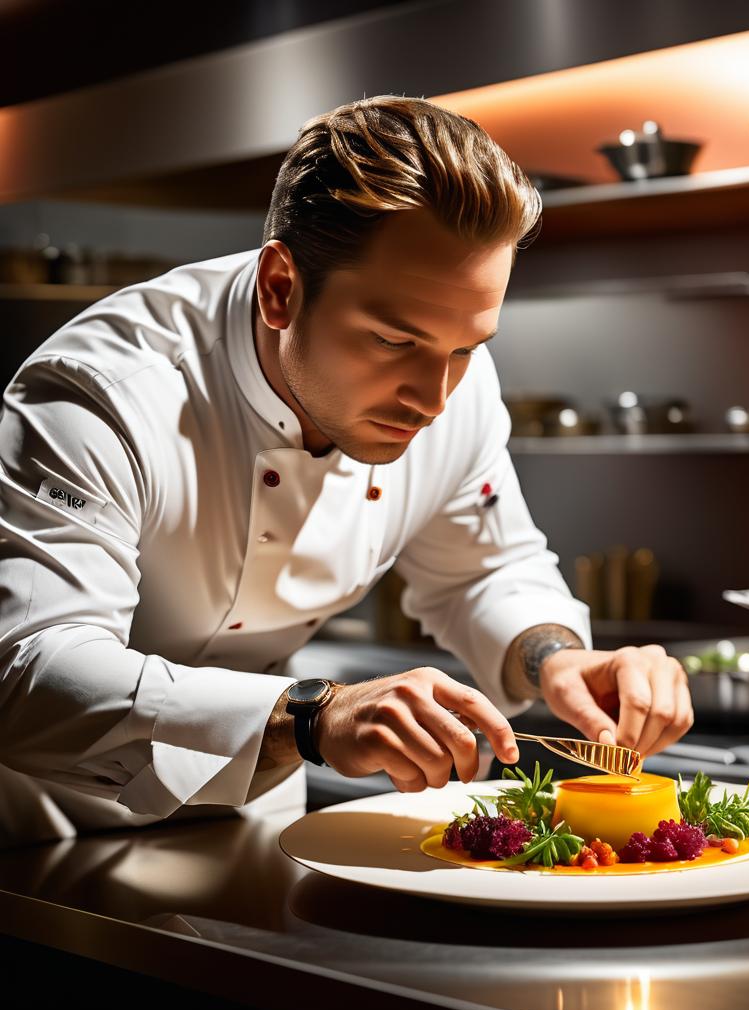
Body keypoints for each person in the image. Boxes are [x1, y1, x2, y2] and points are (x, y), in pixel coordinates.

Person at [0, 96, 692, 847]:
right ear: (279, 288)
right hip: (47, 822)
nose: (433, 398)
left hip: (251, 813)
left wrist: (559, 657)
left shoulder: (457, 385)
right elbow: (32, 672)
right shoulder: (102, 394)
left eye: (466, 348)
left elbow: (483, 571)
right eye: (395, 340)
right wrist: (313, 714)